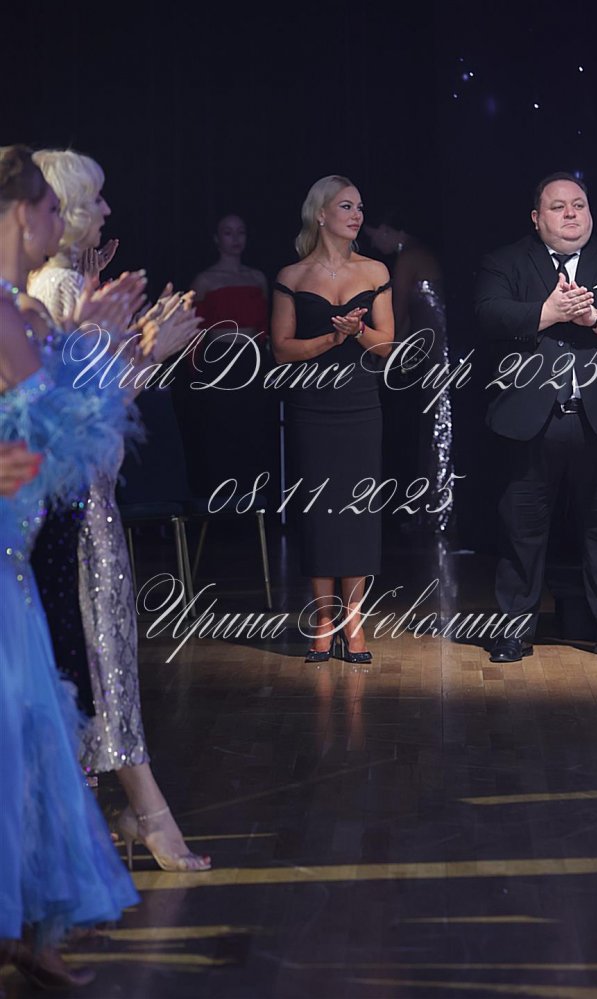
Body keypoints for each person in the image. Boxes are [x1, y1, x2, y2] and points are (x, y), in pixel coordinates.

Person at [28, 148, 211, 872]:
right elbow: (81, 411)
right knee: (99, 655)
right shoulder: (53, 287)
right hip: (72, 498)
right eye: (93, 200)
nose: (106, 210)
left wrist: (137, 338)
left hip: (87, 492)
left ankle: (104, 815)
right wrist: (152, 352)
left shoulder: (64, 282)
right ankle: (143, 814)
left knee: (98, 653)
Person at [0, 144, 138, 991]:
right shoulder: (4, 313)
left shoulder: (17, 310)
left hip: (14, 560)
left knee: (27, 741)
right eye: (50, 207)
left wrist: (94, 337)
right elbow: (57, 444)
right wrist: (113, 345)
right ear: (23, 213)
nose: (62, 220)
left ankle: (25, 930)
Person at [475, 171, 597, 663]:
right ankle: (514, 631)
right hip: (529, 420)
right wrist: (550, 311)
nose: (571, 213)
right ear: (537, 218)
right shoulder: (505, 261)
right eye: (558, 207)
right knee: (521, 532)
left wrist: (595, 319)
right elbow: (490, 313)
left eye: (579, 204)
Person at [272, 175, 394, 663]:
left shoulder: (375, 270)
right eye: (346, 206)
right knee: (319, 510)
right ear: (320, 214)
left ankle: (354, 618)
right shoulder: (292, 275)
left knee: (358, 510)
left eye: (360, 207)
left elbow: (388, 347)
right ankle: (324, 617)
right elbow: (281, 350)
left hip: (360, 404)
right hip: (311, 405)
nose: (357, 214)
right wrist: (331, 338)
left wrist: (358, 332)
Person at [366, 211, 454, 531]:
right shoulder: (423, 252)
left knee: (438, 424)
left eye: (373, 234)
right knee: (438, 424)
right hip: (439, 350)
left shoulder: (408, 258)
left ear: (388, 228)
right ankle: (439, 508)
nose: (373, 243)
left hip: (437, 353)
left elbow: (398, 315)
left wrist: (382, 358)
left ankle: (438, 511)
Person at [172, 213, 270, 497]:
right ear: (217, 239)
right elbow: (192, 328)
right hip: (219, 359)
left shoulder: (257, 278)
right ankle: (219, 502)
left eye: (240, 232)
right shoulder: (205, 280)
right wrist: (195, 369)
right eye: (228, 232)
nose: (235, 238)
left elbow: (264, 324)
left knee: (251, 430)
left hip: (251, 359)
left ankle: (253, 501)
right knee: (221, 431)